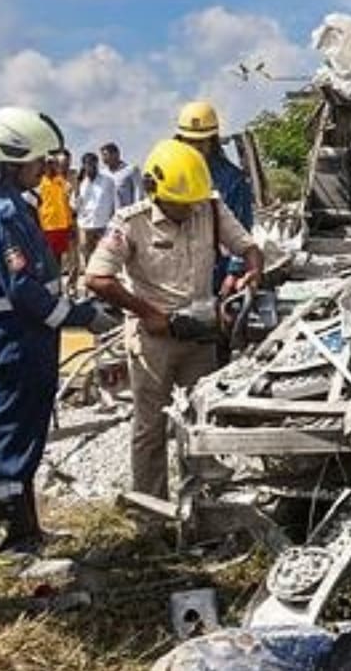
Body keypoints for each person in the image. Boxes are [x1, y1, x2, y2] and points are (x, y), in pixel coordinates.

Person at [0, 108, 117, 559]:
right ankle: (12, 542)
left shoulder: (11, 206)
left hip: (25, 339)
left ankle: (27, 531)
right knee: (14, 438)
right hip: (15, 340)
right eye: (36, 161)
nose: (44, 169)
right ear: (13, 162)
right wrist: (81, 317)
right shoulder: (2, 216)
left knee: (27, 433)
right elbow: (24, 290)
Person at [86, 138, 263, 500]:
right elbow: (96, 278)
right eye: (179, 204)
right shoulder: (130, 222)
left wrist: (252, 273)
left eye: (192, 203)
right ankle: (150, 511)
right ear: (154, 190)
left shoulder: (209, 208)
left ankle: (200, 504)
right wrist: (148, 313)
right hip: (153, 340)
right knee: (150, 427)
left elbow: (248, 247)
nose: (188, 210)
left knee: (199, 423)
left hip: (200, 335)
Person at [174, 101, 254, 296]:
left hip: (217, 270)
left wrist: (234, 273)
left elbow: (242, 230)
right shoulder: (169, 176)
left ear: (213, 140)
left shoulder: (232, 180)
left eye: (202, 141)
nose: (196, 147)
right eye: (190, 141)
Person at [72, 152, 116, 294]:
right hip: (85, 226)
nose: (90, 167)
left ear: (97, 164)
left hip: (103, 225)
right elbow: (74, 206)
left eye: (93, 163)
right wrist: (77, 186)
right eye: (87, 164)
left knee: (104, 257)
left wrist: (114, 221)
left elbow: (115, 202)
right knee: (88, 257)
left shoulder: (107, 181)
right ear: (84, 166)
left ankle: (104, 288)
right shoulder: (82, 183)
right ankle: (90, 289)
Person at [35, 152, 75, 283]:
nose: (51, 167)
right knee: (45, 260)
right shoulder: (38, 182)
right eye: (48, 164)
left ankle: (57, 287)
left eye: (54, 164)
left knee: (58, 260)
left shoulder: (62, 182)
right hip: (46, 228)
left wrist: (71, 224)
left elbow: (67, 204)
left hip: (62, 227)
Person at [99, 142, 143, 208]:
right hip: (110, 216)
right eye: (102, 155)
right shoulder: (102, 174)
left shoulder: (131, 170)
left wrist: (137, 209)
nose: (103, 158)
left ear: (115, 154)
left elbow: (138, 192)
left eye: (105, 155)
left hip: (128, 213)